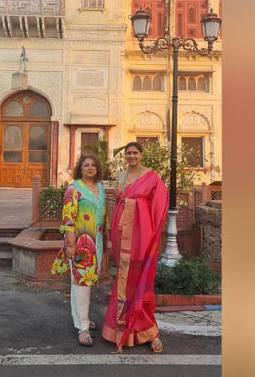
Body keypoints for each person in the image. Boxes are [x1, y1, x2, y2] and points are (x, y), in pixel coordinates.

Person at [101, 141, 169, 354]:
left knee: (140, 280)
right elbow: (118, 203)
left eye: (135, 153)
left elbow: (160, 205)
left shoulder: (151, 177)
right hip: (122, 233)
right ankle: (119, 327)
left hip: (141, 235)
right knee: (123, 278)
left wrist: (151, 234)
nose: (131, 156)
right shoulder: (120, 177)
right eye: (128, 153)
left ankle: (149, 331)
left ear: (141, 155)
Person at [51, 154, 107, 346]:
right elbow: (68, 219)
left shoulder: (100, 187)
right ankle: (82, 327)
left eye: (93, 165)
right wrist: (72, 244)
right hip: (81, 244)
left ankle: (82, 318)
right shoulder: (74, 189)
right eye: (86, 165)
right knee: (81, 284)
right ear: (80, 169)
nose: (90, 168)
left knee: (85, 282)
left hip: (97, 242)